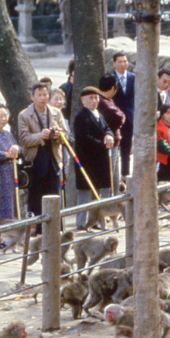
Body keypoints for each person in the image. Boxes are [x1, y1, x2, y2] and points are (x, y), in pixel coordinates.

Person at [17, 81, 66, 218]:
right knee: (36, 195)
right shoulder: (24, 115)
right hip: (35, 159)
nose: (42, 98)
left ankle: (56, 228)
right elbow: (24, 139)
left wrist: (58, 136)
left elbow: (66, 136)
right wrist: (40, 136)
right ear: (32, 97)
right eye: (39, 95)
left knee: (54, 194)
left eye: (45, 95)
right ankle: (36, 228)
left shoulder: (56, 113)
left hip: (54, 158)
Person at [71, 86, 115, 224]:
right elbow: (84, 138)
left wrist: (109, 136)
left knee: (100, 190)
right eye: (91, 98)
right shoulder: (81, 117)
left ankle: (96, 220)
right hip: (86, 160)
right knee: (85, 191)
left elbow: (108, 128)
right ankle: (81, 222)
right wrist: (103, 144)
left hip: (100, 160)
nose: (94, 101)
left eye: (96, 97)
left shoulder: (99, 114)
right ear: (83, 100)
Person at [105, 52, 135, 176]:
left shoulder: (133, 77)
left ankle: (125, 175)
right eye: (120, 61)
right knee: (115, 149)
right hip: (114, 119)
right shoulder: (110, 78)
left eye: (125, 61)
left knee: (127, 150)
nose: (123, 64)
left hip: (130, 118)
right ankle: (114, 177)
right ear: (114, 63)